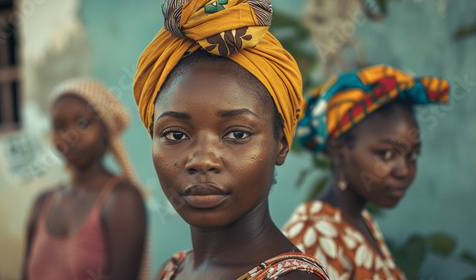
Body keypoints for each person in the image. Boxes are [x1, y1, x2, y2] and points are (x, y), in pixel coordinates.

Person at [132, 0, 329, 279]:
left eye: (237, 134)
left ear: (282, 142)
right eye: (175, 134)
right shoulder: (173, 270)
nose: (202, 161)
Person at [282, 65, 450, 279]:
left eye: (412, 155)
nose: (404, 171)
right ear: (338, 150)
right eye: (387, 154)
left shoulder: (359, 220)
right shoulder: (313, 237)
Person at [23, 79, 148, 280]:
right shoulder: (42, 203)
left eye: (83, 123)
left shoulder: (121, 199)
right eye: (59, 126)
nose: (69, 136)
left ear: (105, 131)